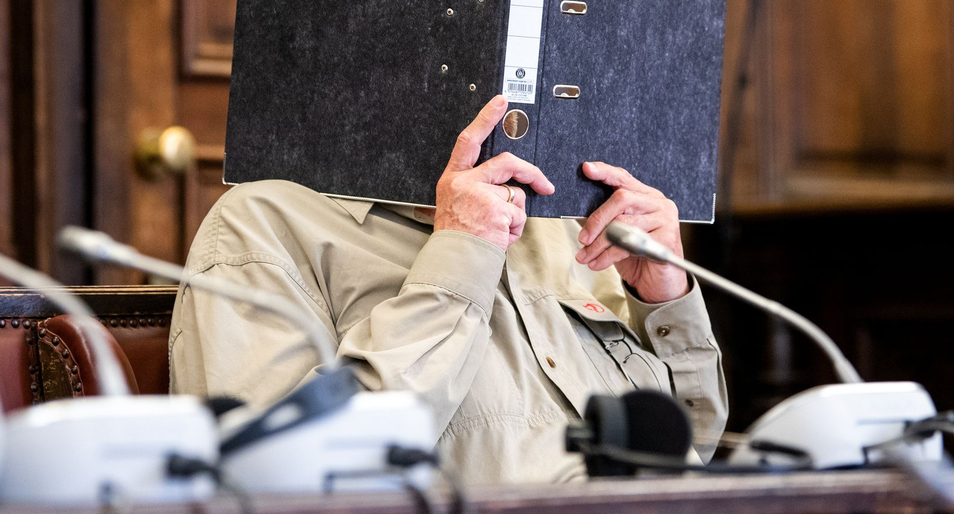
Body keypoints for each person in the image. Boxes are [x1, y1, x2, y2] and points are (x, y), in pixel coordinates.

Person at [169, 95, 727, 484]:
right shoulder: (263, 222)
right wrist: (462, 254)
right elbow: (265, 478)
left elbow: (693, 444)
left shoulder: (559, 222)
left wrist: (664, 299)